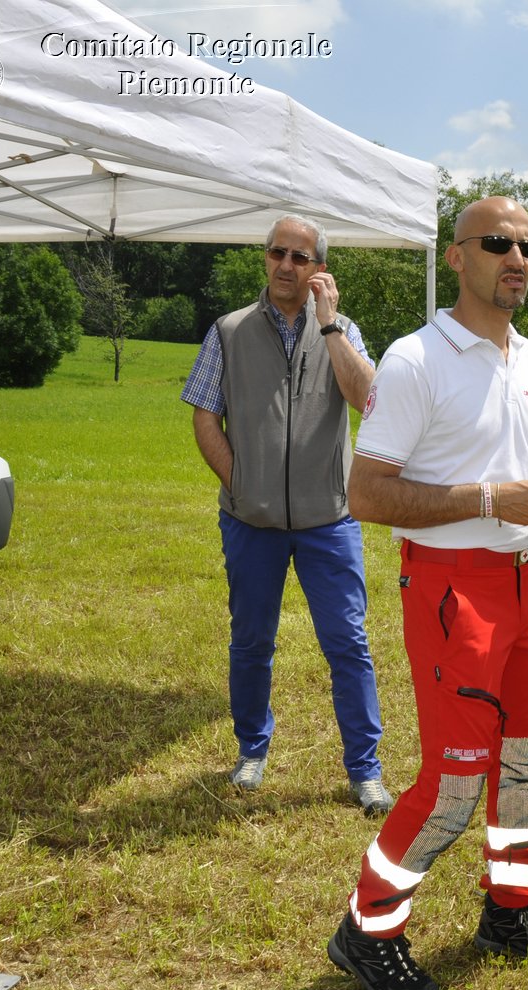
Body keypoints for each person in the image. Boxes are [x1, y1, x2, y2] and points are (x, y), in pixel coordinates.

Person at [326, 196, 528, 990]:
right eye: (498, 243)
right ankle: (368, 927)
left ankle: (509, 914)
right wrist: (488, 497)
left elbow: (526, 470)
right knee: (453, 782)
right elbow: (366, 493)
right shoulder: (415, 359)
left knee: (525, 766)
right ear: (457, 257)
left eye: (527, 245)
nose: (517, 257)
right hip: (453, 592)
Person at [181, 214, 391, 815]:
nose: (286, 265)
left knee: (348, 644)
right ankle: (252, 748)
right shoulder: (229, 331)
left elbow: (367, 399)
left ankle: (365, 769)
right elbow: (203, 413)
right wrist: (239, 481)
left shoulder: (344, 331)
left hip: (331, 519)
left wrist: (330, 328)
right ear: (265, 258)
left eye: (300, 257)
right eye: (278, 253)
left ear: (318, 268)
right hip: (252, 522)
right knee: (251, 641)